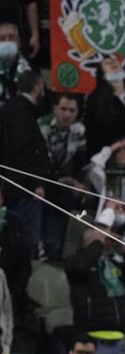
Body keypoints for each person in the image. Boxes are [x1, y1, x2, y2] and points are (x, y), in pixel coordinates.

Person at [64, 208, 125, 354]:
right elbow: (78, 267)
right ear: (87, 239)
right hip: (91, 344)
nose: (105, 241)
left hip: (119, 343)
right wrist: (97, 242)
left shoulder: (114, 265)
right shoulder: (77, 261)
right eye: (102, 237)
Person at [0, 69, 50, 259]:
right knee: (25, 247)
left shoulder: (11, 109)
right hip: (24, 191)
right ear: (38, 87)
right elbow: (22, 151)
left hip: (15, 187)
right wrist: (35, 184)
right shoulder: (21, 112)